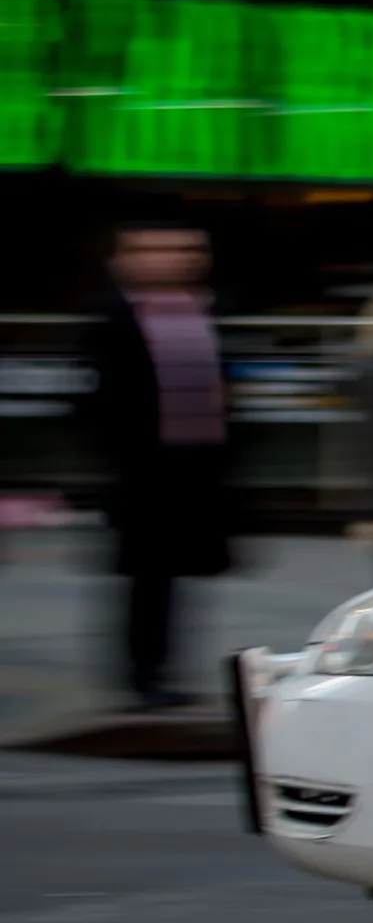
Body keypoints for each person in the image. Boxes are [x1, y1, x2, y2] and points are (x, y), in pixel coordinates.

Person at [79, 224, 234, 708]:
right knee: (146, 578)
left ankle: (164, 669)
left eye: (188, 249)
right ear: (122, 260)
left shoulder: (206, 311)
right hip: (141, 473)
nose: (176, 259)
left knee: (180, 575)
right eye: (157, 250)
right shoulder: (110, 319)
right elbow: (95, 403)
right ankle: (142, 674)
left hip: (196, 468)